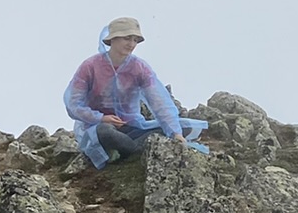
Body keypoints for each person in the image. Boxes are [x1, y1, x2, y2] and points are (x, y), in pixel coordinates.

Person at [63, 17, 209, 168]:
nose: (132, 44)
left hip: (132, 127)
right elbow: (73, 104)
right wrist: (102, 118)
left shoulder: (139, 68)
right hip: (97, 128)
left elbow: (159, 101)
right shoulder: (90, 66)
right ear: (112, 39)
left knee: (182, 127)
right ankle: (134, 150)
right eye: (127, 38)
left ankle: (125, 150)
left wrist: (175, 133)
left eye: (135, 40)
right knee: (105, 132)